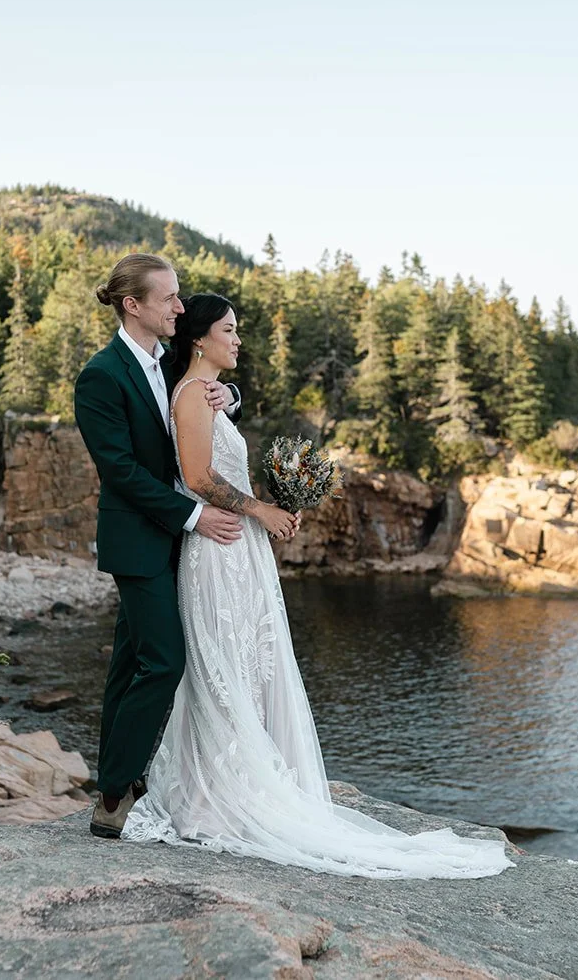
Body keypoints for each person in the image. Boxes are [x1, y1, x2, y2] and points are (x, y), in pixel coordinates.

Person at [119, 292, 514, 879]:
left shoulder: (212, 394)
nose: (238, 339)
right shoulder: (189, 397)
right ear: (199, 338)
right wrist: (262, 511)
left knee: (251, 663)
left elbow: (218, 463)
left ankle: (243, 784)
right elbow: (199, 476)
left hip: (239, 548)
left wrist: (271, 503)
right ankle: (212, 799)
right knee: (222, 666)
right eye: (229, 330)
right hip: (218, 546)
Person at [72, 253, 242, 839]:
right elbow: (120, 471)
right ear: (133, 304)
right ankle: (118, 791)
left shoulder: (169, 361)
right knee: (164, 659)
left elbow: (200, 394)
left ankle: (108, 782)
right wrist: (196, 515)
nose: (179, 306)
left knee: (128, 664)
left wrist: (230, 399)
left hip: (175, 543)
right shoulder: (100, 375)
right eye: (169, 298)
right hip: (139, 542)